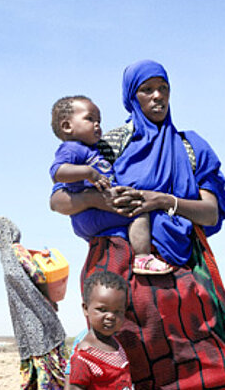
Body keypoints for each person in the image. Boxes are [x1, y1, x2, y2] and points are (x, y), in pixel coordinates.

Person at [49, 59, 225, 390]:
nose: (158, 97)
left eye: (164, 88)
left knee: (215, 368)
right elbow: (58, 199)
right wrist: (109, 198)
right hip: (120, 271)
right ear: (132, 98)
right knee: (126, 376)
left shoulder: (189, 147)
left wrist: (163, 201)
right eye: (147, 91)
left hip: (184, 267)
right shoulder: (107, 143)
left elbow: (211, 211)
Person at [49, 95, 174, 275]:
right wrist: (88, 173)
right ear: (67, 126)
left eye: (99, 120)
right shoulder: (71, 148)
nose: (97, 125)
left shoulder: (96, 149)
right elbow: (57, 172)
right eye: (90, 119)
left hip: (94, 215)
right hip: (88, 213)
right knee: (138, 213)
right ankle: (143, 258)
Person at [0, 216, 66, 390]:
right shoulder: (4, 255)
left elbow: (38, 275)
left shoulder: (16, 250)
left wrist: (47, 298)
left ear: (1, 231)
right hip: (23, 316)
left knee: (43, 360)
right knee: (28, 361)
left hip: (38, 314)